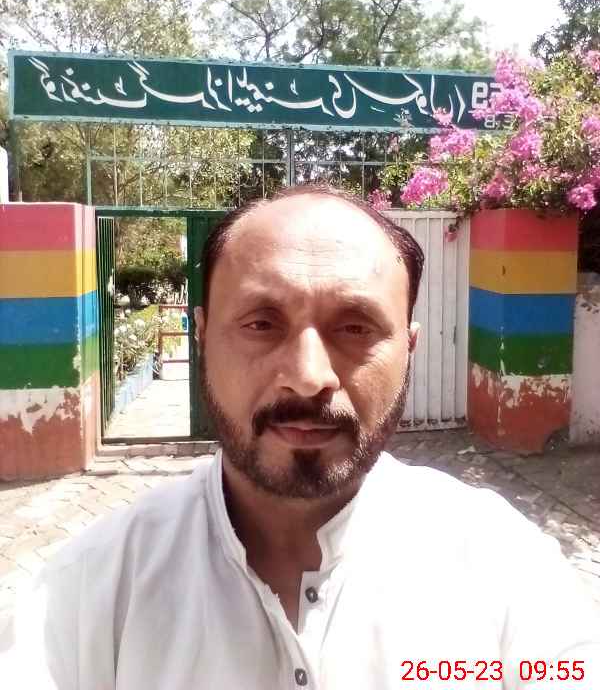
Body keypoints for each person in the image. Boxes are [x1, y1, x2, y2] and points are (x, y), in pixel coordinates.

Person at [2, 184, 599, 689]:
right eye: (262, 324)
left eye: (355, 328)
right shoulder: (85, 593)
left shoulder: (506, 567)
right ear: (203, 337)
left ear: (409, 348)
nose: (310, 376)